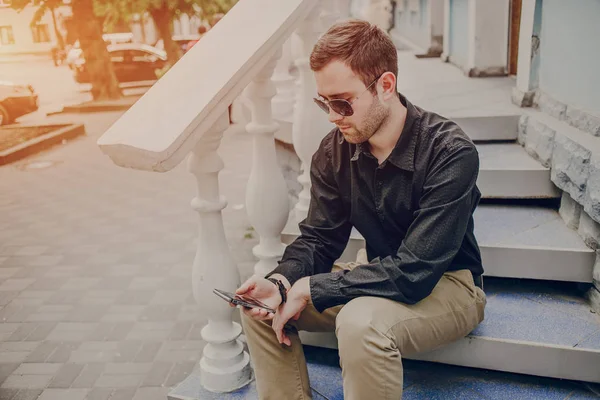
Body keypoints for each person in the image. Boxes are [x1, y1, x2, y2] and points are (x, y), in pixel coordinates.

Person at [238, 19, 486, 400]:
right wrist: (283, 281)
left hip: (448, 284)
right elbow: (319, 238)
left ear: (386, 86)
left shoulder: (450, 152)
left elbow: (416, 270)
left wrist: (314, 288)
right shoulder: (332, 151)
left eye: (342, 102)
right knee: (260, 304)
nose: (333, 116)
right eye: (323, 102)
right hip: (376, 277)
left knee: (359, 322)